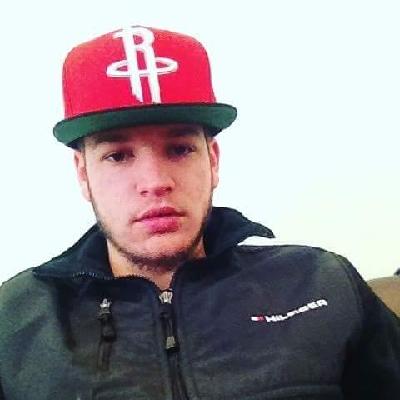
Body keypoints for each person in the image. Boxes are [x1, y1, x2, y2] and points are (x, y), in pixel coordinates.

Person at [0, 25, 399, 400]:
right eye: (118, 156)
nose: (155, 181)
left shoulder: (322, 283)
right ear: (83, 175)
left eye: (179, 149)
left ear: (213, 160)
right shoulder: (16, 319)